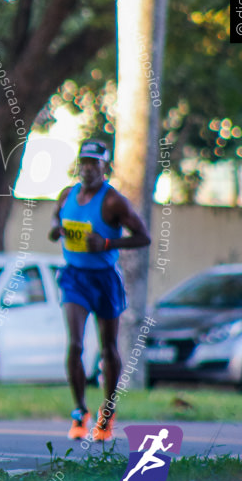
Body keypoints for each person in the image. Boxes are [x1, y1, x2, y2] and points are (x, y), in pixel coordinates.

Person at [49, 139, 151, 442]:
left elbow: (142, 237)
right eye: (84, 162)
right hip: (74, 277)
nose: (88, 168)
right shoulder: (68, 194)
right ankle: (80, 411)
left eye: (95, 163)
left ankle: (107, 412)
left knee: (108, 348)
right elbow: (57, 216)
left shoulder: (113, 201)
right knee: (76, 344)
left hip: (104, 278)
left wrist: (107, 243)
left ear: (105, 168)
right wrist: (57, 228)